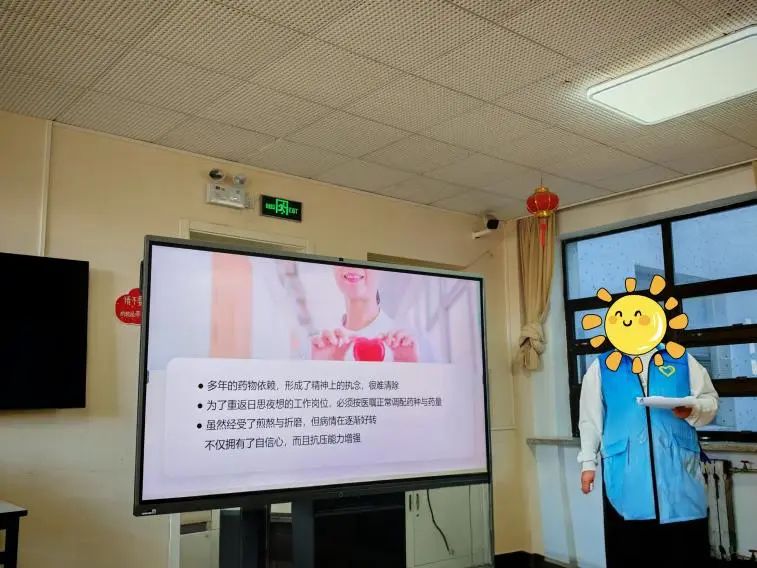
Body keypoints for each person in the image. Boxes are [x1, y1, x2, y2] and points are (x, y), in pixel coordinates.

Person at [578, 347, 719, 567]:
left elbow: (710, 401)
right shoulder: (602, 366)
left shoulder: (681, 359)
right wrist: (588, 463)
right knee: (631, 552)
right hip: (627, 480)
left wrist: (694, 408)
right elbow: (590, 420)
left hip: (680, 480)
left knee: (685, 551)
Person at [310, 266, 433, 362]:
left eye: (364, 259)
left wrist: (410, 371)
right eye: (342, 257)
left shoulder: (416, 344)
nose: (352, 266)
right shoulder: (316, 345)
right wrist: (323, 370)